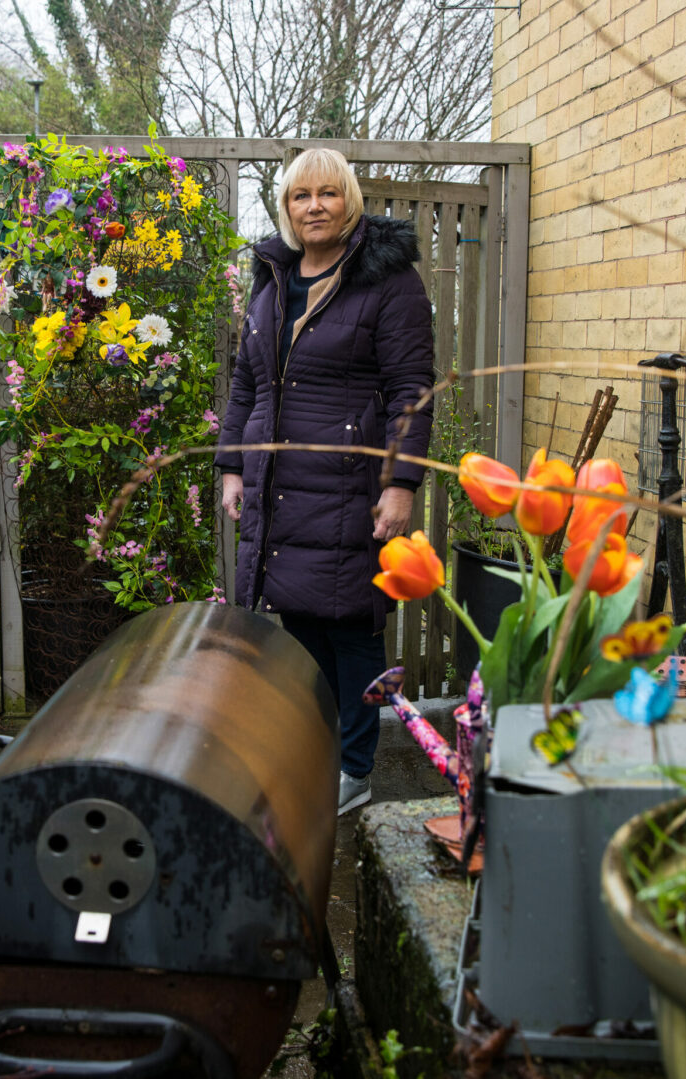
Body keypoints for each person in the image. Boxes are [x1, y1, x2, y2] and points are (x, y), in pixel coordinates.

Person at [215, 148, 434, 817]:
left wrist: (399, 483)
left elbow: (411, 392)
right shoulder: (274, 277)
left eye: (328, 194)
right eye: (301, 195)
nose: (315, 206)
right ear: (286, 207)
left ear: (350, 201)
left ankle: (357, 766)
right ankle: (317, 752)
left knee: (352, 627)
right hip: (278, 484)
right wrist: (231, 463)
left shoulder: (388, 281)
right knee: (298, 623)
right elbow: (248, 380)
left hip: (347, 484)